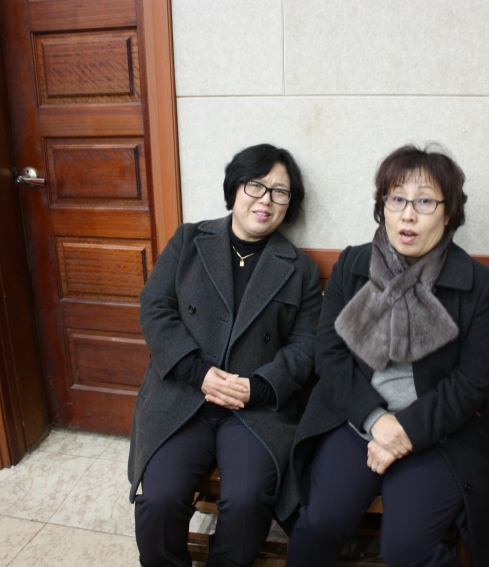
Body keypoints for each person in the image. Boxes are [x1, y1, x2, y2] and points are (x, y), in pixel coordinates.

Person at [282, 145, 489, 567]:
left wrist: (404, 431)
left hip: (438, 432)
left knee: (406, 550)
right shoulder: (354, 265)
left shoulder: (477, 284)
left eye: (425, 201)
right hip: (354, 417)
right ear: (382, 206)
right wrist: (376, 421)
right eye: (397, 199)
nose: (408, 215)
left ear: (449, 212)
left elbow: (473, 382)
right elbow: (329, 355)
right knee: (319, 526)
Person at [128, 144, 322, 567]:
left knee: (249, 499)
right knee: (160, 499)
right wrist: (198, 372)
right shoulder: (189, 241)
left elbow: (306, 345)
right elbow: (155, 308)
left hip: (255, 408)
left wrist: (259, 387)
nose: (266, 200)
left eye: (280, 192)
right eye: (256, 185)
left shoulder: (300, 269)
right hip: (184, 395)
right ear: (235, 187)